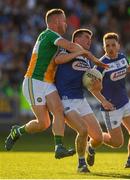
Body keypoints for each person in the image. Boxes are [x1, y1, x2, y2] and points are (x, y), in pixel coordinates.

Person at [4, 9, 90, 159]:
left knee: (58, 111)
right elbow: (70, 46)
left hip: (48, 82)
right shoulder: (50, 34)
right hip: (34, 81)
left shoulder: (52, 37)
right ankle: (17, 131)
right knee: (43, 123)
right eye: (64, 20)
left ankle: (59, 147)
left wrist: (80, 54)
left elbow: (62, 55)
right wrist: (87, 54)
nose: (66, 23)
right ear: (56, 22)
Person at [54, 29, 114, 172]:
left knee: (98, 138)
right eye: (86, 37)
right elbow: (57, 60)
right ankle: (81, 164)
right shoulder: (66, 50)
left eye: (90, 38)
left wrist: (101, 95)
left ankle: (90, 147)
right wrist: (79, 52)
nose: (89, 40)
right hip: (66, 100)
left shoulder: (87, 60)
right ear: (76, 40)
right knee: (83, 130)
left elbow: (91, 86)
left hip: (81, 100)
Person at [95, 32, 130, 168]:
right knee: (116, 142)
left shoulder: (122, 57)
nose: (110, 48)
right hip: (111, 108)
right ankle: (94, 139)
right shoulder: (100, 65)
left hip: (125, 103)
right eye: (107, 45)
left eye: (113, 45)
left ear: (118, 46)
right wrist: (104, 101)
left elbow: (128, 67)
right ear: (104, 47)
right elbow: (93, 88)